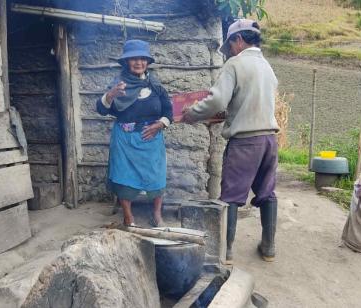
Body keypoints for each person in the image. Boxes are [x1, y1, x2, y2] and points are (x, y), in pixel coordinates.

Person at [182, 19, 279, 263]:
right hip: (268, 140)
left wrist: (192, 113)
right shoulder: (267, 66)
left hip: (246, 143)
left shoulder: (234, 64)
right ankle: (268, 248)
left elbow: (216, 101)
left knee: (232, 196)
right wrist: (230, 114)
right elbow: (251, 102)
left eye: (231, 44)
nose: (231, 50)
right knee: (267, 193)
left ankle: (225, 251)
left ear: (238, 40)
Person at [96, 40, 173, 227]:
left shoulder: (155, 85)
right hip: (124, 140)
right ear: (126, 62)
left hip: (151, 138)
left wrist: (160, 125)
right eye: (133, 59)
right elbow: (101, 109)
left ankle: (157, 215)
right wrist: (111, 94)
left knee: (156, 176)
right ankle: (128, 217)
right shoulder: (118, 85)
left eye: (142, 58)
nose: (139, 62)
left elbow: (169, 111)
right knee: (124, 177)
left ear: (147, 61)